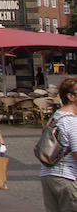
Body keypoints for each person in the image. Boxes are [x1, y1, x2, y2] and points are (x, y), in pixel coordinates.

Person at [39, 76, 77, 211]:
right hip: (67, 177)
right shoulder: (72, 121)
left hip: (48, 175)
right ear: (71, 96)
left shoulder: (56, 116)